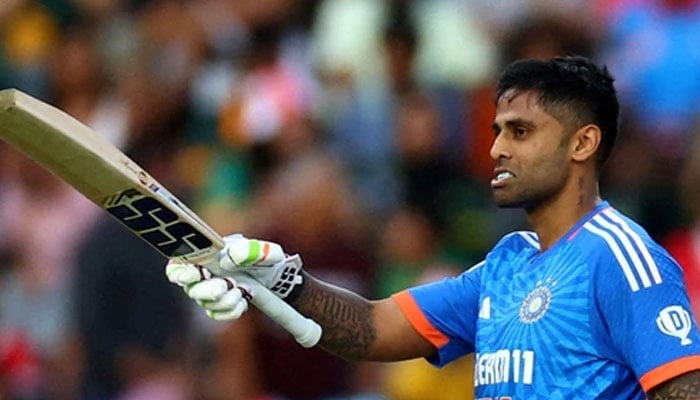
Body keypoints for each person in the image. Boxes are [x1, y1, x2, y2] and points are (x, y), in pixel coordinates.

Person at [166, 56, 700, 398]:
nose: (496, 148)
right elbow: (372, 329)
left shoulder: (622, 257)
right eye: (496, 131)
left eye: (520, 131)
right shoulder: (506, 263)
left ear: (583, 143)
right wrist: (278, 279)